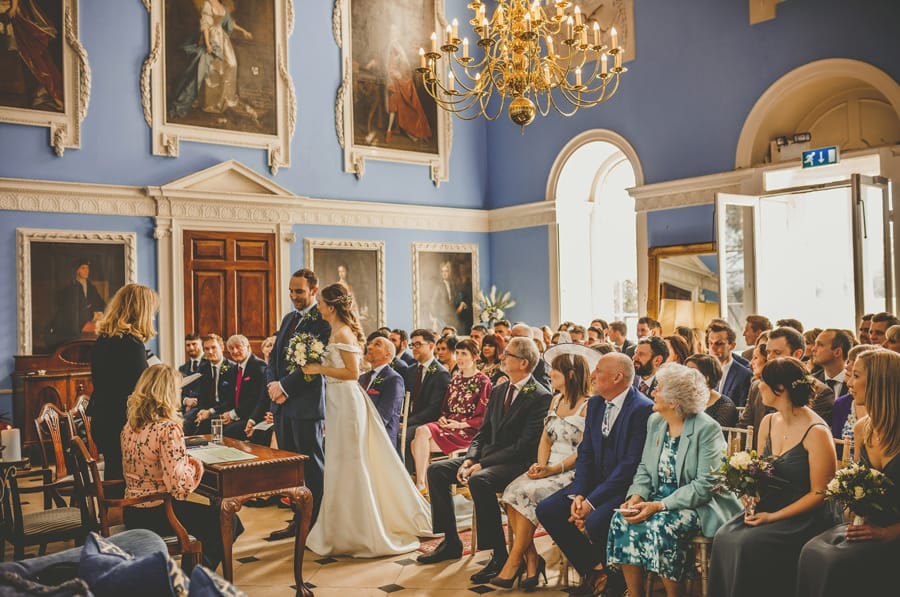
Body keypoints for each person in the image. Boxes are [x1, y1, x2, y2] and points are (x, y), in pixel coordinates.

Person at [303, 283, 431, 556]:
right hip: (337, 402)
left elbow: (350, 373)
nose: (319, 306)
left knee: (351, 462)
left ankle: (361, 530)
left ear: (331, 305)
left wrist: (318, 368)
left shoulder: (344, 333)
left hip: (347, 403)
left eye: (321, 302)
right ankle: (337, 527)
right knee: (338, 462)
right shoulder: (335, 331)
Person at [417, 337, 552, 587]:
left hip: (517, 463)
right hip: (487, 458)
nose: (502, 357)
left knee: (481, 480)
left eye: (508, 355)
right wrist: (470, 458)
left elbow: (523, 446)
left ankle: (499, 555)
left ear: (523, 363)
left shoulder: (540, 396)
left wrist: (482, 464)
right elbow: (482, 432)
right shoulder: (500, 388)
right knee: (437, 471)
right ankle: (450, 541)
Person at [607, 363, 741, 597]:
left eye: (659, 388)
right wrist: (635, 497)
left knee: (663, 526)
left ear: (674, 401)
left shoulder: (707, 428)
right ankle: (635, 594)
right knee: (622, 519)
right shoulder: (656, 422)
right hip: (657, 497)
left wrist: (659, 505)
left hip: (698, 504)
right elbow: (645, 469)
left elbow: (705, 485)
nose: (652, 392)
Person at [709, 357, 837, 597]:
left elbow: (820, 493)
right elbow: (759, 472)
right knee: (724, 536)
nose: (757, 386)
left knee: (747, 544)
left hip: (805, 513)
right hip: (771, 503)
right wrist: (750, 494)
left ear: (780, 388)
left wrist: (773, 517)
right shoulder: (768, 421)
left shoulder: (817, 432)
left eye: (762, 381)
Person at [536, 353, 654, 597]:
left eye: (598, 370)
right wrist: (579, 493)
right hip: (593, 483)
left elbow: (629, 466)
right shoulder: (598, 403)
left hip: (624, 487)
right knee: (548, 509)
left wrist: (591, 502)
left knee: (597, 520)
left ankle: (616, 582)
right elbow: (586, 452)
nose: (592, 375)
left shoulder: (641, 409)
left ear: (617, 377)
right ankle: (595, 570)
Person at [797, 349, 900, 596]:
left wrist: (888, 532)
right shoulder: (862, 428)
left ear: (878, 381)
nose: (848, 383)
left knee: (837, 563)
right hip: (869, 527)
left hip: (893, 533)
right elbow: (854, 482)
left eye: (855, 375)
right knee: (811, 552)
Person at [120, 364, 242, 571]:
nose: (180, 393)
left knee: (213, 516)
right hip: (161, 512)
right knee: (229, 520)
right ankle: (190, 579)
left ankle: (191, 572)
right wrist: (194, 466)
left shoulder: (130, 425)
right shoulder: (168, 428)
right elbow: (179, 487)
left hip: (132, 511)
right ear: (167, 393)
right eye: (177, 389)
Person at [491, 345, 593, 590]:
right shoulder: (556, 399)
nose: (549, 374)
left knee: (527, 494)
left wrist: (554, 469)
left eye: (554, 370)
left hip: (570, 470)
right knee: (511, 492)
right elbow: (545, 438)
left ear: (570, 374)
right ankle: (532, 558)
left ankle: (516, 561)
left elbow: (584, 451)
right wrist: (540, 465)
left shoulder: (588, 405)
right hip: (549, 466)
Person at [265, 269, 331, 540]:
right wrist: (273, 386)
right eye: (291, 291)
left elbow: (314, 364)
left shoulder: (322, 321)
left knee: (311, 468)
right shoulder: (288, 318)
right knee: (291, 471)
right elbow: (274, 358)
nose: (294, 296)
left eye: (299, 291)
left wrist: (285, 387)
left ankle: (315, 524)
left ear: (314, 291)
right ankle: (297, 520)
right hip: (282, 406)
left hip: (306, 407)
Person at [88, 283, 157, 482]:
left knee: (115, 473)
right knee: (125, 479)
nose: (152, 317)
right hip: (121, 421)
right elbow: (140, 390)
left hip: (103, 419)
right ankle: (128, 512)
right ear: (139, 311)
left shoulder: (105, 339)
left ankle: (112, 512)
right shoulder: (131, 345)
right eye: (151, 311)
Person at [410, 338, 490, 496]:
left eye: (464, 354)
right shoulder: (455, 379)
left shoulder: (483, 382)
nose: (459, 357)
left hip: (468, 431)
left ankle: (422, 485)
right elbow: (445, 409)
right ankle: (425, 485)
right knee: (418, 438)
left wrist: (461, 425)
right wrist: (443, 418)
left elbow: (484, 417)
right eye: (458, 353)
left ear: (475, 357)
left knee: (418, 438)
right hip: (448, 426)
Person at [168, 0, 259, 125]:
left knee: (232, 64)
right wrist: (207, 43)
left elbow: (229, 23)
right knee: (212, 69)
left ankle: (225, 98)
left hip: (222, 39)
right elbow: (205, 25)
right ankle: (209, 102)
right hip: (211, 38)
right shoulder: (207, 4)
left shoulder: (223, 6)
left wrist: (243, 31)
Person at [402, 329, 451, 456]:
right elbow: (405, 399)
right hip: (411, 419)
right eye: (412, 345)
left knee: (402, 436)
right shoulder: (411, 370)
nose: (414, 348)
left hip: (428, 422)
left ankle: (408, 474)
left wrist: (407, 423)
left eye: (418, 344)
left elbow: (434, 409)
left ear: (431, 346)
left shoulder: (441, 373)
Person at [384, 23, 432, 144]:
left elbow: (403, 63)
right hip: (394, 78)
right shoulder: (391, 45)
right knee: (394, 105)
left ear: (398, 34)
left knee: (406, 102)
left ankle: (412, 131)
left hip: (399, 78)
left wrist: (399, 72)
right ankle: (391, 130)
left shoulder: (397, 45)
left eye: (395, 31)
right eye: (391, 31)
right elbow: (389, 63)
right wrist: (393, 73)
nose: (393, 33)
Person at [359, 335, 405, 447]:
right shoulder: (362, 378)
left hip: (381, 436)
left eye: (377, 344)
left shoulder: (393, 379)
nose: (369, 347)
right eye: (370, 344)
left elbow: (383, 417)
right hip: (360, 429)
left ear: (388, 354)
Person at [49, 258, 107, 344]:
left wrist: (101, 313)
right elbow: (72, 312)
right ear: (77, 271)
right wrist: (91, 313)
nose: (86, 271)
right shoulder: (69, 289)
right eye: (83, 268)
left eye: (87, 268)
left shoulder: (92, 288)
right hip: (74, 329)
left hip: (90, 326)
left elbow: (101, 304)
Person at [830, 343, 877, 446]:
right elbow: (837, 448)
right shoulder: (842, 403)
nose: (847, 366)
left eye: (854, 361)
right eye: (848, 361)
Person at [685, 354, 739, 428]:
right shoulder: (685, 401)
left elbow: (718, 437)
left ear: (706, 378)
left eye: (692, 372)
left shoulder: (725, 407)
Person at [706, 321, 752, 407]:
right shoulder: (704, 372)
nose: (712, 348)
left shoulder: (744, 375)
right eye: (710, 343)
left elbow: (742, 410)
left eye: (719, 343)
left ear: (732, 345)